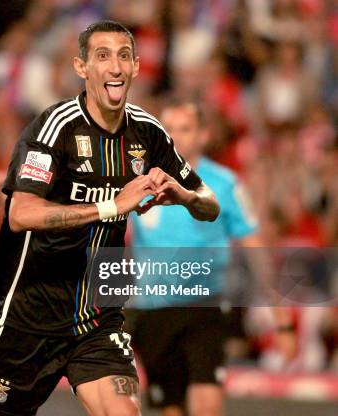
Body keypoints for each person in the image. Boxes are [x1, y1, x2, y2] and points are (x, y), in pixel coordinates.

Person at [0, 21, 220, 416]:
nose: (115, 67)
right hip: (29, 316)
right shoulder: (54, 128)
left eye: (123, 56)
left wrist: (183, 196)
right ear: (82, 67)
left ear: (137, 67)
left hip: (99, 317)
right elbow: (20, 214)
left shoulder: (148, 133)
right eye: (102, 56)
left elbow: (208, 203)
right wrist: (112, 206)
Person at [125, 99, 261, 416]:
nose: (175, 137)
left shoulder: (224, 183)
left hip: (205, 303)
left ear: (203, 135)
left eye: (184, 129)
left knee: (206, 404)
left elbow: (253, 243)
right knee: (172, 409)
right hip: (154, 309)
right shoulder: (138, 181)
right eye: (168, 129)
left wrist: (281, 319)